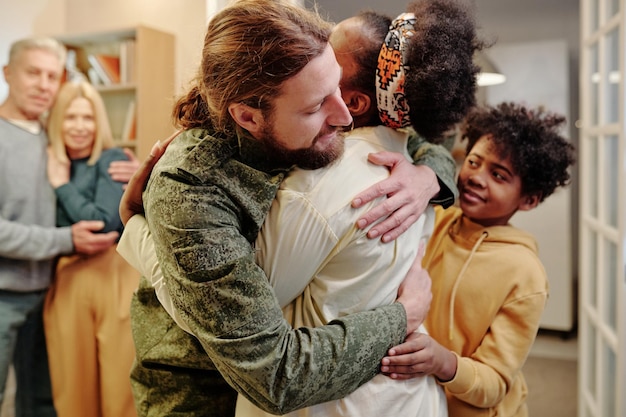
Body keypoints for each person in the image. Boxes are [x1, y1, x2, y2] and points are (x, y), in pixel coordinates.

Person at [119, 1, 482, 416]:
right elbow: (275, 374)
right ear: (248, 117)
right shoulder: (191, 187)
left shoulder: (317, 122)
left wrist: (430, 176)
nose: (345, 116)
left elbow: (413, 136)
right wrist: (402, 316)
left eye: (338, 88)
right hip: (199, 393)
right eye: (316, 106)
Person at [379, 102, 576, 417]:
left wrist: (444, 362)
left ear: (528, 200)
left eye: (498, 175)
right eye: (474, 162)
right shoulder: (436, 219)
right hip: (418, 401)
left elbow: (495, 382)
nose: (476, 178)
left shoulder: (525, 275)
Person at [0, 36, 118, 417]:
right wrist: (64, 239)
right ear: (7, 74)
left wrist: (130, 172)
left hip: (48, 293)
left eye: (52, 76)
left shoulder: (54, 138)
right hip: (3, 296)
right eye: (33, 73)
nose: (43, 85)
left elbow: (91, 170)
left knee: (44, 404)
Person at [42, 80, 139, 417]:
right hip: (66, 278)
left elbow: (103, 223)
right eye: (71, 117)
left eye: (88, 118)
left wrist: (62, 185)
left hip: (113, 278)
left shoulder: (111, 159)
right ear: (57, 121)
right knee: (72, 388)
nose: (80, 127)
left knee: (119, 387)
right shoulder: (47, 160)